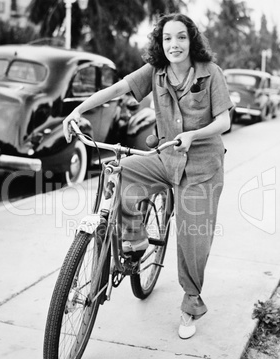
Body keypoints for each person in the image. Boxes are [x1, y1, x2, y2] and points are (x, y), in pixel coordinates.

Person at [63, 13, 233, 339]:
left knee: (192, 240)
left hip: (201, 169)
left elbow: (223, 121)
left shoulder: (211, 73)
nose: (174, 44)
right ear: (160, 42)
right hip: (166, 158)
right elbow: (118, 88)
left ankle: (191, 303)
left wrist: (193, 136)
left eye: (181, 37)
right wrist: (78, 110)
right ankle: (137, 239)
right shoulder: (156, 72)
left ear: (191, 40)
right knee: (121, 173)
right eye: (168, 38)